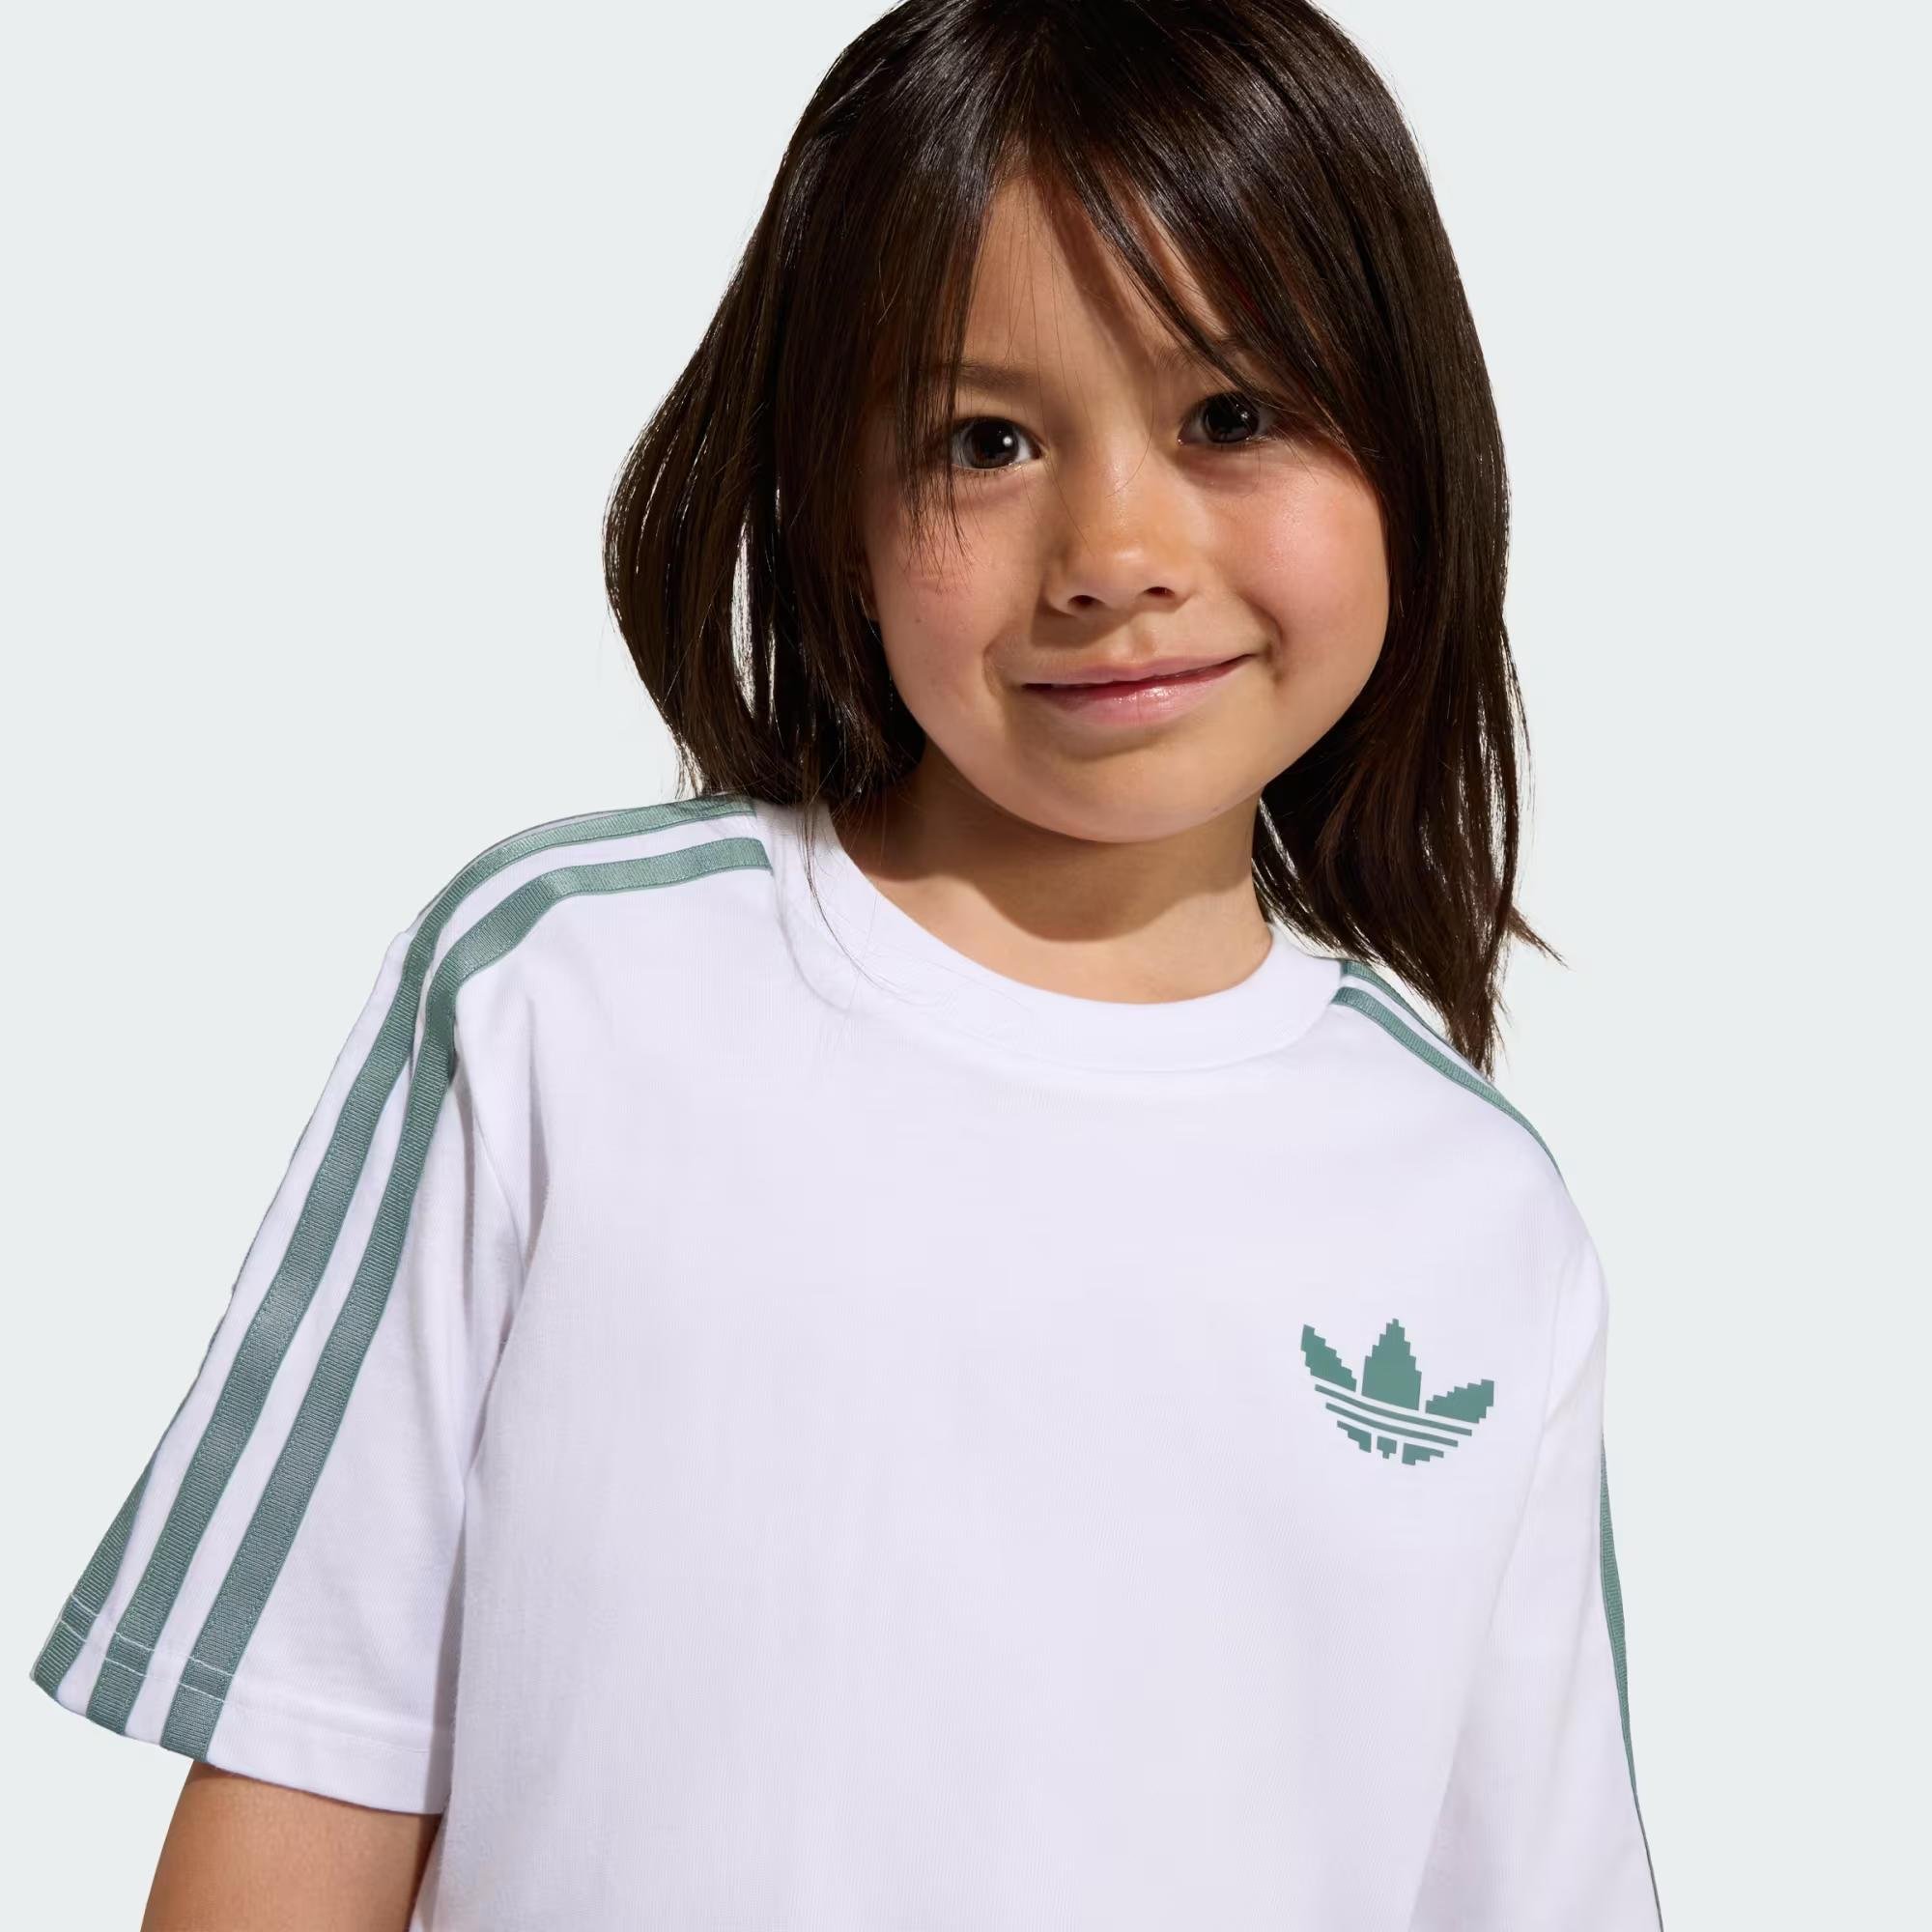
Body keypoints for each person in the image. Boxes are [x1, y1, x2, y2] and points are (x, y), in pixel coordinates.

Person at [28, 2, 1665, 1926]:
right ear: (835, 499)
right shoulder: (565, 999)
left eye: (1230, 416)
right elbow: (306, 1788)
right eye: (988, 440)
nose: (1114, 550)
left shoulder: (1475, 1208)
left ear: (1417, 444)